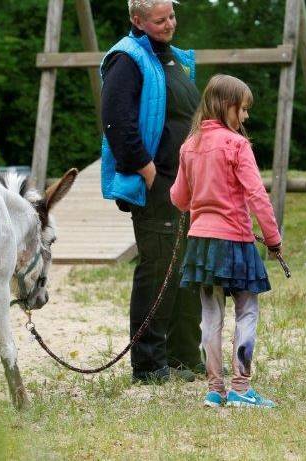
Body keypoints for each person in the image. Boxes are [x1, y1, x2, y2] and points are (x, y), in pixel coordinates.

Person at [99, 0, 203, 384]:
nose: (169, 24)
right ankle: (148, 365)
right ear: (137, 20)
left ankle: (184, 357)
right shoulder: (125, 59)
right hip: (158, 183)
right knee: (158, 269)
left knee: (187, 270)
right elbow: (117, 121)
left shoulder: (176, 58)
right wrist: (146, 170)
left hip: (189, 184)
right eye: (160, 20)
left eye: (171, 16)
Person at [170, 74, 283, 408]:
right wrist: (273, 239)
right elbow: (257, 195)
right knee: (247, 311)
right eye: (242, 109)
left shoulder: (188, 146)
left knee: (210, 316)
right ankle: (241, 388)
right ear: (225, 105)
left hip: (201, 244)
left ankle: (215, 389)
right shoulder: (237, 145)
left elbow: (179, 198)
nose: (245, 117)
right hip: (235, 241)